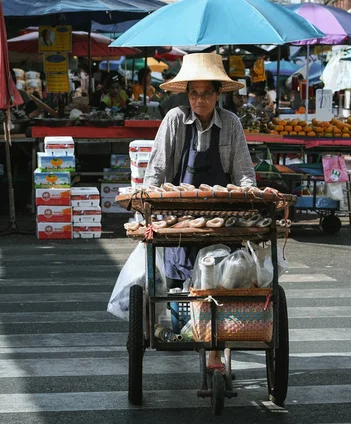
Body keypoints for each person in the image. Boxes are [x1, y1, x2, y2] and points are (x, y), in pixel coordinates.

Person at [144, 53, 256, 372]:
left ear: (219, 94)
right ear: (187, 94)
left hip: (222, 220)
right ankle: (195, 334)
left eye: (207, 93)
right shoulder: (175, 120)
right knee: (184, 288)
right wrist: (150, 209)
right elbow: (157, 172)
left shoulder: (231, 123)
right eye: (194, 93)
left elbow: (244, 173)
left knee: (219, 284)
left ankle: (215, 351)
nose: (200, 99)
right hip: (182, 219)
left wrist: (250, 200)